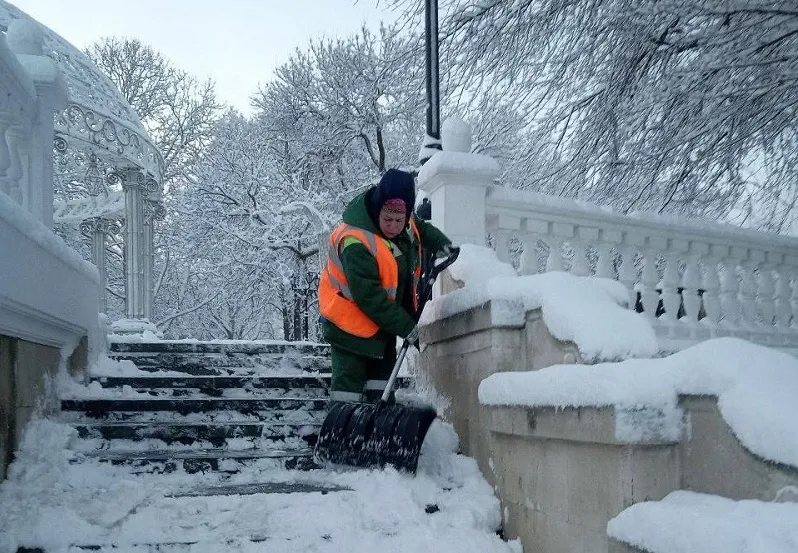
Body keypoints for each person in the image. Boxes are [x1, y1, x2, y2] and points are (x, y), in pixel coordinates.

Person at [318, 168, 454, 404]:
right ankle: (340, 435)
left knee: (381, 390)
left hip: (382, 328)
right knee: (347, 393)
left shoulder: (405, 219)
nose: (393, 226)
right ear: (377, 208)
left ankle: (378, 435)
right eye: (387, 219)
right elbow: (369, 297)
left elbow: (419, 228)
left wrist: (442, 244)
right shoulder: (356, 242)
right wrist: (406, 326)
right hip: (348, 328)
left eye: (399, 220)